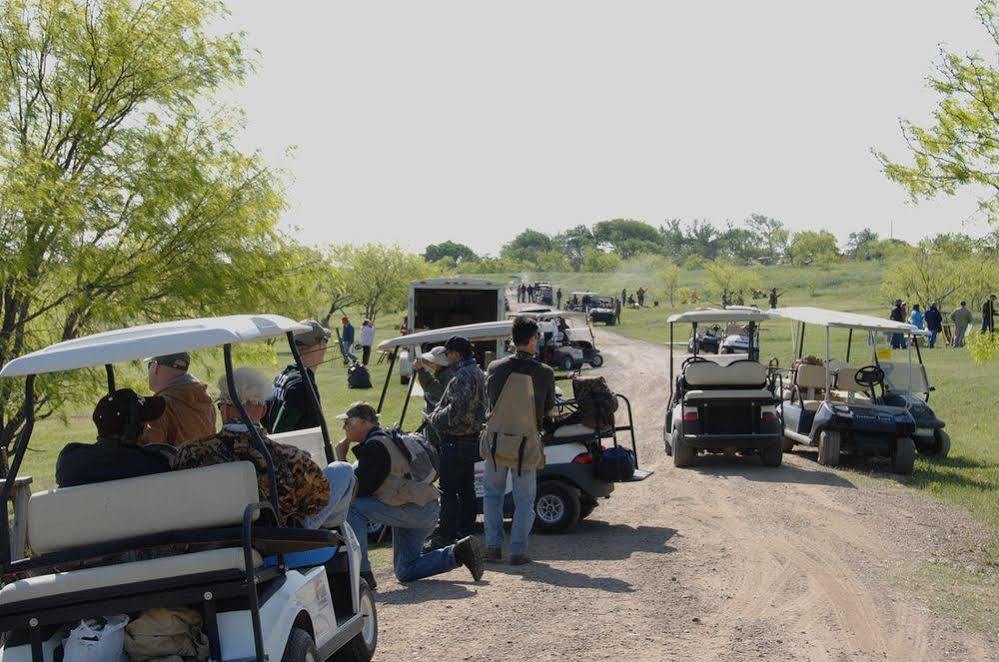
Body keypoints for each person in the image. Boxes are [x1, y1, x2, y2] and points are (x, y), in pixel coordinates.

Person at [176, 368, 355, 528]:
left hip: (213, 537)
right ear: (263, 411)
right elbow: (317, 503)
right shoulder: (290, 457)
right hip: (278, 543)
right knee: (343, 470)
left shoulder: (189, 453)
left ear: (225, 411)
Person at [339, 402, 485, 589]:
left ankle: (362, 573)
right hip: (420, 507)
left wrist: (341, 457)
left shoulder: (376, 446)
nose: (344, 427)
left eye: (347, 422)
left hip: (414, 509)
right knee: (405, 570)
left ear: (362, 422)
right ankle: (457, 553)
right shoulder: (383, 439)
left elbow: (354, 491)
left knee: (352, 507)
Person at [483, 316, 555, 565]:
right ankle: (517, 550)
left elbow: (489, 402)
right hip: (525, 443)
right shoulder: (545, 373)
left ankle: (492, 547)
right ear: (533, 339)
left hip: (496, 442)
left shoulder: (494, 368)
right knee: (524, 500)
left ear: (513, 339)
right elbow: (547, 409)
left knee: (492, 496)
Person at [427, 336, 487, 546]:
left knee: (449, 490)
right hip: (471, 439)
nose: (447, 357)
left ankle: (447, 534)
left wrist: (435, 418)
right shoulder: (478, 372)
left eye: (448, 353)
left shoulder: (462, 375)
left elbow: (456, 411)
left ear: (456, 354)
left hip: (455, 440)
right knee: (466, 489)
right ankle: (466, 531)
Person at [56, 389, 172, 488]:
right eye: (144, 423)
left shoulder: (69, 462)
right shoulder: (154, 464)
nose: (147, 426)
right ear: (132, 431)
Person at [266, 320, 331, 434]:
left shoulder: (284, 374)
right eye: (325, 340)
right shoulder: (302, 386)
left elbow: (266, 417)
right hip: (296, 450)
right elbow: (279, 432)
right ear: (321, 344)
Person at [140, 352, 216, 447]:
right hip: (206, 461)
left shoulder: (159, 406)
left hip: (176, 462)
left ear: (156, 367)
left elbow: (152, 451)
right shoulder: (206, 399)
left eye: (150, 364)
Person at [414, 346, 455, 448]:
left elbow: (432, 388)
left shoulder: (448, 376)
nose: (430, 364)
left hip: (440, 427)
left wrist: (421, 370)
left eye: (432, 362)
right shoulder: (442, 374)